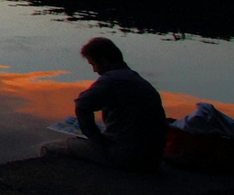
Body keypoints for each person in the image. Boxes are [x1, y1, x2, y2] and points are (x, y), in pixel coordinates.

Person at [39, 36, 167, 172]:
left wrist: (94, 136)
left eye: (93, 64)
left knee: (48, 148)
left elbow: (82, 104)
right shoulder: (137, 79)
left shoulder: (111, 80)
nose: (94, 70)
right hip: (153, 158)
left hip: (126, 156)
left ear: (104, 61)